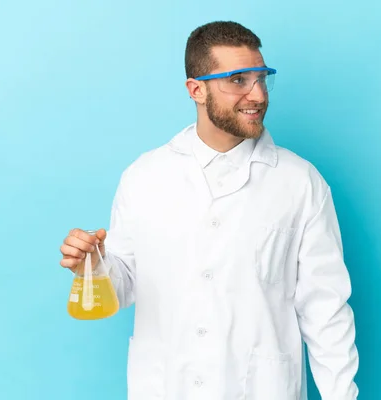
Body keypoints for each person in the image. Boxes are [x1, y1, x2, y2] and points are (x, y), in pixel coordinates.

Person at [60, 20, 359, 400]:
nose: (258, 95)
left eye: (261, 78)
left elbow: (326, 310)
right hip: (166, 387)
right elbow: (126, 284)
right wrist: (95, 264)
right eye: (238, 80)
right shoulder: (144, 177)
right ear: (196, 89)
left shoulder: (300, 183)